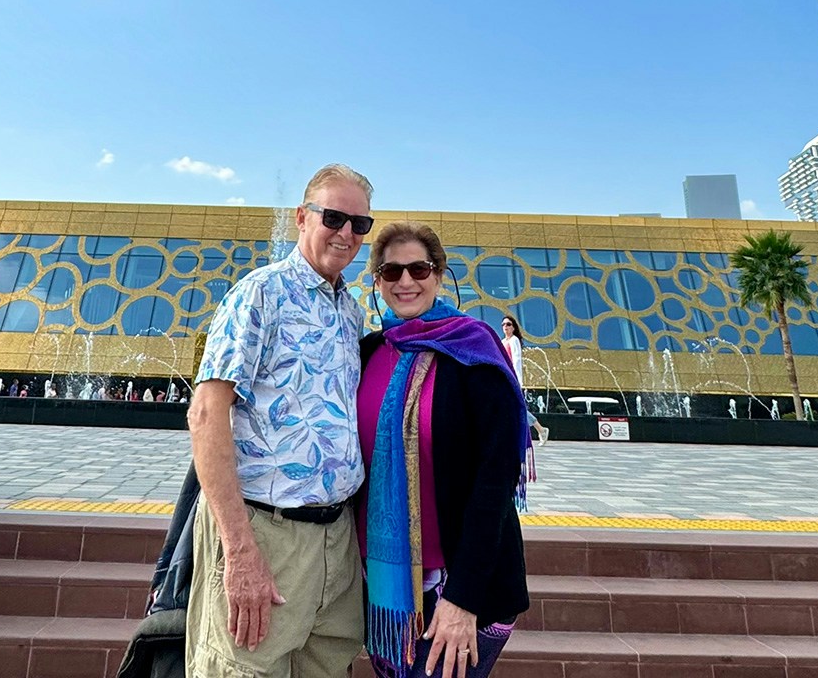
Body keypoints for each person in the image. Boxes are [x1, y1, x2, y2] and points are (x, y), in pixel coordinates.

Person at [186, 164, 375, 678]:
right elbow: (205, 414)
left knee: (328, 666)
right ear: (301, 217)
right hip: (266, 531)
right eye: (334, 217)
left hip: (336, 540)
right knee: (244, 668)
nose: (346, 234)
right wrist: (240, 550)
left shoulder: (350, 311)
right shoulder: (260, 294)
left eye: (361, 225)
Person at [358, 222, 529, 678]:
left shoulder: (474, 352)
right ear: (377, 281)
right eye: (391, 272)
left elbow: (495, 480)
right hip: (387, 589)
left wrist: (462, 600)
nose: (406, 282)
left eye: (419, 268)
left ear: (438, 274)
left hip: (462, 587)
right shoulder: (369, 351)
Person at [499, 315, 548, 444]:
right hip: (504, 378)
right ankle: (540, 429)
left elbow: (516, 361)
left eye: (508, 324)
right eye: (503, 324)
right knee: (512, 407)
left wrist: (518, 381)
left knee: (516, 407)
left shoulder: (514, 340)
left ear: (513, 327)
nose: (505, 327)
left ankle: (540, 429)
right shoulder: (503, 342)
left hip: (512, 379)